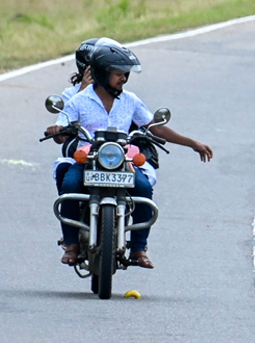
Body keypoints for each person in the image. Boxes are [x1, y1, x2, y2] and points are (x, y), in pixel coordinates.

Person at [45, 43, 213, 269]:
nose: (124, 78)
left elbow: (155, 127)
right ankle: (72, 245)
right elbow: (61, 129)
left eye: (125, 74)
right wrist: (56, 131)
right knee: (70, 185)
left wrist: (191, 143)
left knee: (143, 189)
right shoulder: (79, 100)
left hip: (122, 161)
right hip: (89, 161)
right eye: (118, 74)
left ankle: (138, 248)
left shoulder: (131, 101)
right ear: (102, 74)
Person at [52, 37, 125, 193]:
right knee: (66, 175)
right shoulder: (72, 95)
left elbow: (144, 122)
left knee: (142, 182)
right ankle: (68, 214)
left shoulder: (123, 95)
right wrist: (84, 89)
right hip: (83, 153)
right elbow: (66, 122)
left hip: (114, 153)